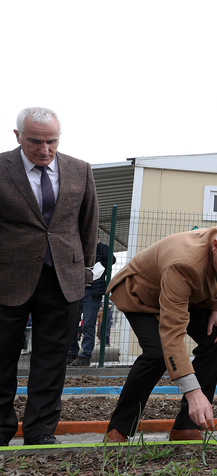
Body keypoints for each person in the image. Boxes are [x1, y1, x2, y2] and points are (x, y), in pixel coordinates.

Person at [102, 223, 217, 443]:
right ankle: (118, 428)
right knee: (157, 353)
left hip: (187, 295)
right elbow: (173, 331)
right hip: (143, 296)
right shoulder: (184, 263)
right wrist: (193, 391)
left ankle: (186, 427)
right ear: (216, 246)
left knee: (216, 337)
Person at [0, 107, 99, 446]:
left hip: (63, 278)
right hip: (8, 278)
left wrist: (85, 270)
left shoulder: (80, 170)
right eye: (35, 142)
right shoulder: (0, 167)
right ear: (17, 136)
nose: (44, 150)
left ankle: (40, 431)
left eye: (51, 141)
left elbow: (87, 224)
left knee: (52, 359)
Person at [68, 237, 115, 366]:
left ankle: (85, 356)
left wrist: (98, 244)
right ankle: (72, 352)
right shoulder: (77, 247)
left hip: (92, 292)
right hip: (75, 291)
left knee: (88, 324)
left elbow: (112, 260)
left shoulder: (100, 249)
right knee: (71, 323)